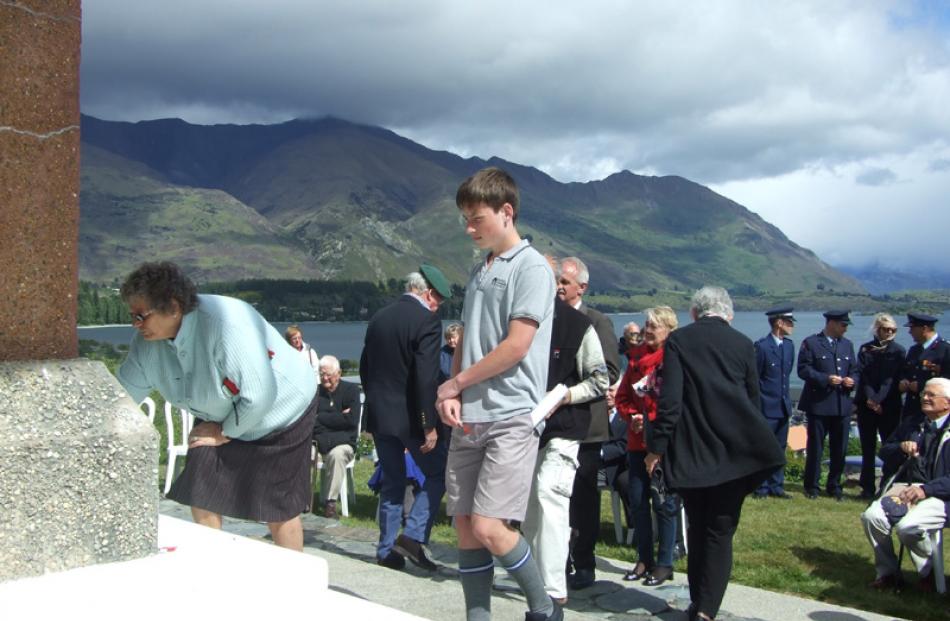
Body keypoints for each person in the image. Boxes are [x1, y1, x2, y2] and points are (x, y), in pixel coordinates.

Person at [116, 261, 317, 551]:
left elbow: (260, 394)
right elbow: (121, 398)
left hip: (282, 411)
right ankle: (216, 562)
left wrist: (225, 432)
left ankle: (296, 582)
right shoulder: (146, 346)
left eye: (140, 316)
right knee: (201, 487)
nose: (135, 325)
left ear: (173, 308)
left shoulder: (227, 325)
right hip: (221, 414)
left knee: (278, 505)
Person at [436, 167, 560, 621]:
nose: (469, 229)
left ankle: (544, 608)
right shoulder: (479, 270)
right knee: (467, 528)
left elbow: (516, 346)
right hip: (469, 415)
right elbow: (466, 337)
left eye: (476, 219)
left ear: (506, 212)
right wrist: (452, 392)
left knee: (491, 527)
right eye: (465, 220)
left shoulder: (531, 268)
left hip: (511, 414)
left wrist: (456, 383)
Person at [647, 286, 785, 621]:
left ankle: (697, 601)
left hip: (694, 450)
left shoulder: (680, 341)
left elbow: (671, 403)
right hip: (735, 453)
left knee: (696, 525)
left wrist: (656, 448)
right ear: (729, 314)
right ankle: (707, 610)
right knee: (721, 532)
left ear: (694, 313)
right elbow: (753, 401)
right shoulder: (743, 344)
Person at [521, 262, 608, 604]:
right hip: (528, 428)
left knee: (550, 495)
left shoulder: (578, 326)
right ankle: (529, 577)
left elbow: (600, 379)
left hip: (565, 426)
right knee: (527, 505)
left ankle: (554, 588)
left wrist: (566, 395)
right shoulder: (520, 322)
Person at [360, 265, 453, 572]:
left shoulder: (379, 318)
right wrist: (428, 424)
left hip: (380, 416)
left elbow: (364, 368)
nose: (437, 305)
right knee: (438, 474)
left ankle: (386, 550)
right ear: (427, 293)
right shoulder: (427, 320)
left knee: (392, 482)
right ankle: (412, 536)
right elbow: (426, 377)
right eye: (437, 299)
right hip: (412, 419)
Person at [556, 256, 621, 592]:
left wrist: (567, 387)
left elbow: (609, 370)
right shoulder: (548, 318)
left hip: (586, 428)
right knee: (554, 497)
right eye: (557, 281)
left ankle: (584, 563)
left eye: (565, 282)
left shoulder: (597, 321)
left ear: (581, 286)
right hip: (554, 425)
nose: (559, 286)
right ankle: (557, 561)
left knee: (583, 499)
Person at [861, 377, 950, 593]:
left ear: (947, 402)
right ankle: (888, 573)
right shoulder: (912, 423)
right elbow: (885, 451)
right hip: (905, 485)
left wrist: (925, 490)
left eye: (931, 395)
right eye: (923, 395)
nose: (924, 398)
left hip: (939, 494)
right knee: (872, 518)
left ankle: (928, 572)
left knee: (908, 528)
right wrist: (901, 447)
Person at [616, 306, 680, 586]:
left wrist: (650, 420)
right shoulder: (634, 359)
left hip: (662, 443)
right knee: (639, 500)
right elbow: (622, 397)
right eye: (646, 324)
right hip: (635, 441)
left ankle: (665, 562)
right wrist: (632, 417)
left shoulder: (673, 359)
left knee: (664, 502)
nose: (648, 330)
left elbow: (673, 402)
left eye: (654, 325)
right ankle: (644, 559)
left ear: (668, 329)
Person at [797, 310, 859, 501]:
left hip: (842, 405)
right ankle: (812, 486)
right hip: (820, 404)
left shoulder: (847, 345)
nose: (845, 328)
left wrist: (852, 380)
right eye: (843, 325)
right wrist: (825, 379)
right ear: (831, 323)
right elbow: (803, 369)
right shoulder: (812, 343)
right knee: (815, 446)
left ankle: (834, 486)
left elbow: (855, 370)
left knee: (839, 447)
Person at [855, 313, 906, 499]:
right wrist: (870, 399)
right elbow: (863, 376)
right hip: (867, 405)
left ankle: (887, 485)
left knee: (889, 447)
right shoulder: (865, 350)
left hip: (889, 406)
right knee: (867, 448)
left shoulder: (899, 352)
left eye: (893, 330)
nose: (890, 333)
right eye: (886, 329)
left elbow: (892, 381)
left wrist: (878, 400)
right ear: (877, 329)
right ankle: (866, 487)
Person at [752, 305, 796, 499]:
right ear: (779, 323)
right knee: (763, 448)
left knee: (779, 448)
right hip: (766, 406)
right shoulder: (762, 347)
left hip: (783, 406)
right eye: (789, 322)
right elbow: (755, 377)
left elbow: (785, 376)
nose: (792, 326)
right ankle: (761, 487)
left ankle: (776, 485)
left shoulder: (789, 346)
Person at [312, 355, 362, 518]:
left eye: (329, 375)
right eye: (322, 374)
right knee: (304, 453)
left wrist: (321, 417)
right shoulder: (316, 392)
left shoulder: (351, 391)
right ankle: (303, 498)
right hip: (319, 440)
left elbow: (352, 420)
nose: (325, 378)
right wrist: (339, 417)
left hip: (343, 442)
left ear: (339, 373)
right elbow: (311, 421)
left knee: (337, 455)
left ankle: (330, 503)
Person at [899, 312, 950, 423]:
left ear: (924, 328)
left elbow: (947, 380)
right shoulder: (914, 350)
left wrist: (922, 386)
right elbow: (906, 372)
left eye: (912, 328)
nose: (909, 332)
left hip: (933, 410)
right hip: (911, 409)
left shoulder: (945, 350)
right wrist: (903, 382)